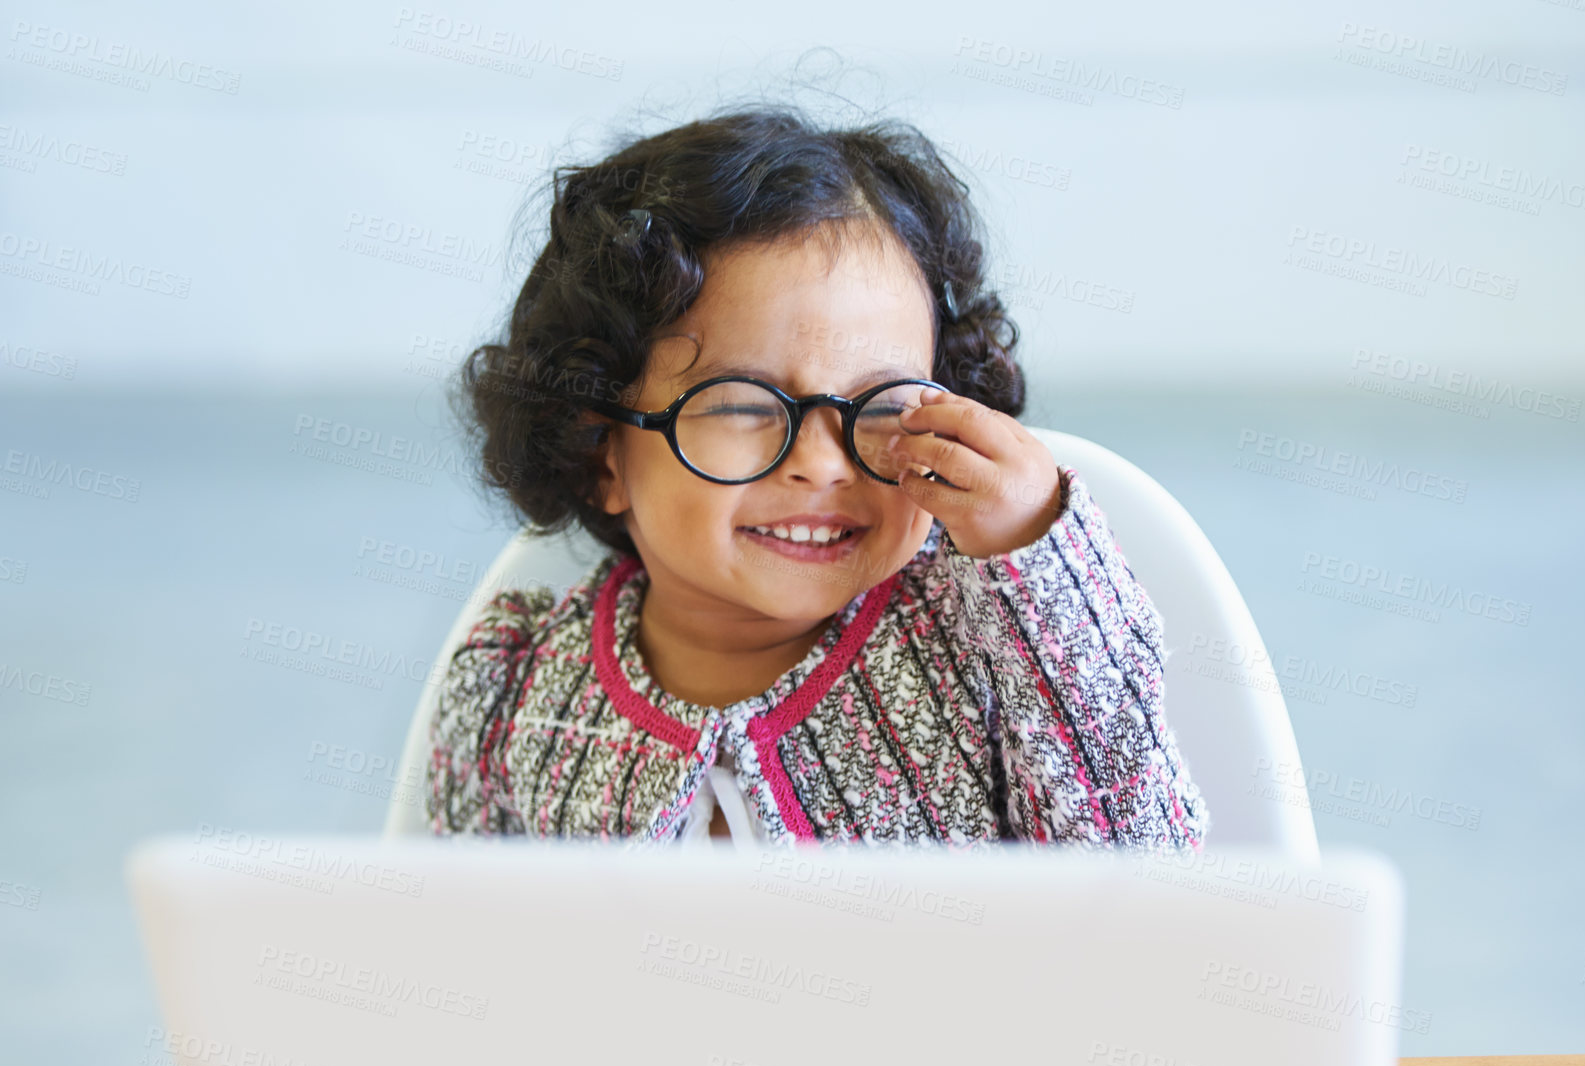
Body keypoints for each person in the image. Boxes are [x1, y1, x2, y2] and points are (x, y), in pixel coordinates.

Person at [425, 103, 1210, 849]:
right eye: (740, 406)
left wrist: (1034, 557)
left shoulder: (990, 650)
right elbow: (468, 951)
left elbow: (1144, 880)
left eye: (882, 405)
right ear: (600, 450)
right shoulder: (517, 695)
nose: (823, 462)